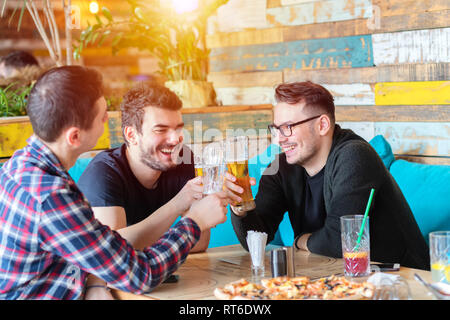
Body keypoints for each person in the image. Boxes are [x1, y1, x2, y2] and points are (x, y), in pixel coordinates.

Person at [0, 66, 229, 300]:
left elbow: (93, 253)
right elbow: (140, 275)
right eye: (102, 116)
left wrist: (95, 283)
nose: (108, 119)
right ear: (75, 137)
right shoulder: (52, 195)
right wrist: (194, 221)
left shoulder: (19, 166)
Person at [229, 81, 430, 270]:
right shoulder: (283, 168)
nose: (280, 139)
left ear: (322, 125)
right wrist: (240, 204)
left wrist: (301, 240)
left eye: (288, 127)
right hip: (338, 277)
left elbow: (340, 241)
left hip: (400, 279)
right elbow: (256, 240)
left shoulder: (354, 155)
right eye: (276, 129)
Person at [77, 83, 210, 252]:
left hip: (158, 270)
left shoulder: (182, 158)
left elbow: (199, 243)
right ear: (132, 135)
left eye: (178, 129)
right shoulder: (103, 174)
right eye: (161, 130)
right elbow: (112, 252)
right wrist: (178, 203)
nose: (175, 139)